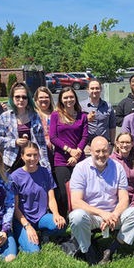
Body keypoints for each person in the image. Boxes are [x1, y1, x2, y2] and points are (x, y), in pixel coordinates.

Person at [69, 136, 134, 266]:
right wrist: (102, 214)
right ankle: (88, 251)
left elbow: (124, 199)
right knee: (76, 216)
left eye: (104, 151)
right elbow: (76, 202)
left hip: (113, 215)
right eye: (97, 151)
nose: (101, 155)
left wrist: (114, 215)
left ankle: (111, 250)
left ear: (109, 150)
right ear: (91, 151)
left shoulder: (117, 168)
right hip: (92, 215)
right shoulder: (80, 168)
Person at [10, 142, 66, 253]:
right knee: (34, 251)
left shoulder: (45, 172)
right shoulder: (15, 176)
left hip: (41, 217)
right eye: (29, 155)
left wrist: (56, 214)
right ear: (22, 156)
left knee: (61, 225)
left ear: (39, 156)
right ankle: (22, 236)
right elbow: (15, 208)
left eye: (35, 155)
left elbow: (51, 198)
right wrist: (27, 226)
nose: (32, 158)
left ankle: (43, 233)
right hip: (23, 220)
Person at [49, 86, 89, 216]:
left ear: (75, 98)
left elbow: (84, 137)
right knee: (63, 193)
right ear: (61, 99)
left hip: (79, 159)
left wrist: (76, 154)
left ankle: (82, 218)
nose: (69, 99)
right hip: (61, 160)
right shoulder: (55, 115)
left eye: (71, 97)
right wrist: (69, 150)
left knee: (81, 191)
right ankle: (64, 221)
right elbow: (53, 137)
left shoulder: (82, 116)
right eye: (65, 97)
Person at [0, 82, 49, 172]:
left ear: (28, 99)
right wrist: (14, 142)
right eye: (17, 97)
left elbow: (41, 143)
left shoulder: (35, 116)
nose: (21, 99)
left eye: (24, 97)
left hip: (33, 161)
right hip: (11, 161)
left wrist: (46, 164)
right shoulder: (4, 117)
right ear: (12, 98)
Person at [110, 132, 134, 208]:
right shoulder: (110, 160)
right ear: (117, 144)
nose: (124, 145)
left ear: (132, 144)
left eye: (127, 142)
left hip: (133, 201)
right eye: (122, 142)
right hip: (114, 202)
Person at [81, 79, 116, 146]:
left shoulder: (108, 106)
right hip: (88, 145)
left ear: (101, 89)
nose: (95, 91)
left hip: (104, 144)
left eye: (97, 88)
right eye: (92, 88)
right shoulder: (81, 106)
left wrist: (112, 144)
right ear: (88, 90)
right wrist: (86, 119)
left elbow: (112, 127)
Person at [34, 86, 55, 166]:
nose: (44, 99)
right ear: (36, 99)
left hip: (56, 152)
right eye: (41, 97)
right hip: (40, 153)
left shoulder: (56, 113)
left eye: (46, 97)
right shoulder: (33, 115)